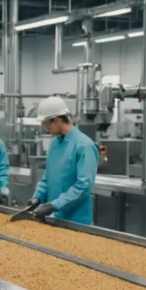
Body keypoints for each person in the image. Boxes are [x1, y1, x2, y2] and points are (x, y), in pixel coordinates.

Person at [28, 96, 98, 225]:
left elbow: (84, 186)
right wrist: (37, 197)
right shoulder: (55, 144)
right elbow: (48, 177)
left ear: (56, 119)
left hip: (77, 221)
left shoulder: (84, 146)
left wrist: (54, 205)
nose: (45, 128)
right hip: (55, 218)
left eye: (46, 124)